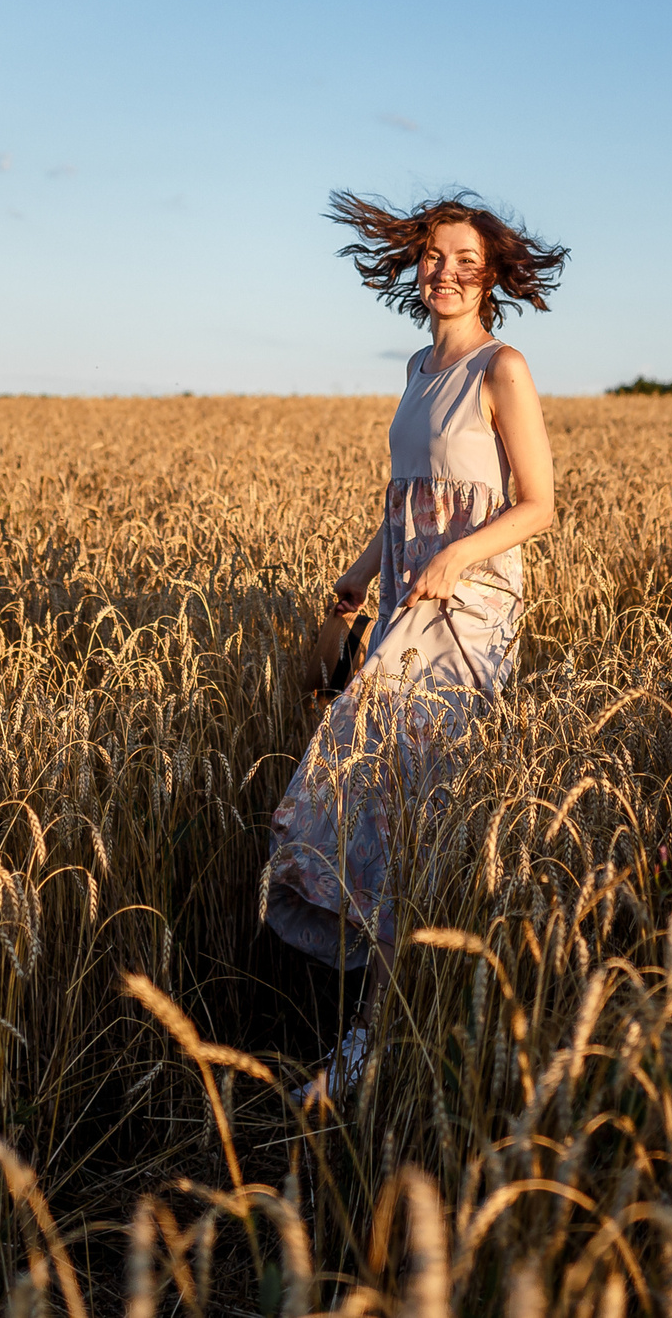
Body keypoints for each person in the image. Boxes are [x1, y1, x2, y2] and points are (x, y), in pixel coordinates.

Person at [265, 190, 567, 1108]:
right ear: (416, 264)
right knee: (371, 799)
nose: (446, 272)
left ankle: (371, 1044)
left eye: (465, 260)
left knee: (401, 805)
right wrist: (355, 579)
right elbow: (406, 502)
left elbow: (539, 505)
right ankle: (374, 1032)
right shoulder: (416, 366)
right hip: (405, 600)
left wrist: (457, 559)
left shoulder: (501, 367)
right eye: (434, 256)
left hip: (468, 615)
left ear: (491, 273)